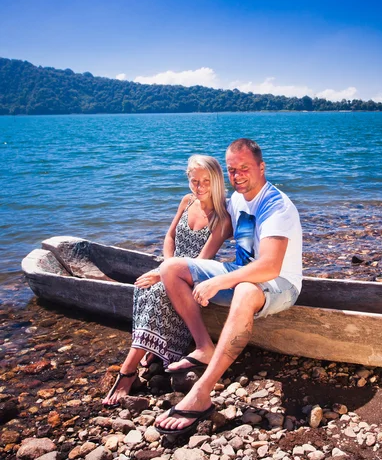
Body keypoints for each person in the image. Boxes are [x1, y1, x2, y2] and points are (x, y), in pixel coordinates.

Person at [154, 138, 302, 435]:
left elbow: (270, 266)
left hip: (279, 284)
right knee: (170, 268)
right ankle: (204, 347)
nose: (237, 176)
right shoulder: (235, 201)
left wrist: (218, 281)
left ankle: (201, 393)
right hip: (240, 274)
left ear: (262, 167)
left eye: (244, 168)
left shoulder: (277, 206)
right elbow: (207, 217)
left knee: (246, 289)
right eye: (232, 170)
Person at [102, 155, 232, 408]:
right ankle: (154, 349)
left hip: (195, 276)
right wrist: (164, 267)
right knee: (144, 288)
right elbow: (170, 236)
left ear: (217, 181)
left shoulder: (222, 218)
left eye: (206, 181)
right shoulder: (187, 201)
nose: (200, 187)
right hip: (169, 268)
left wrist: (165, 273)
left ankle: (128, 370)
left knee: (158, 292)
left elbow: (202, 261)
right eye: (194, 181)